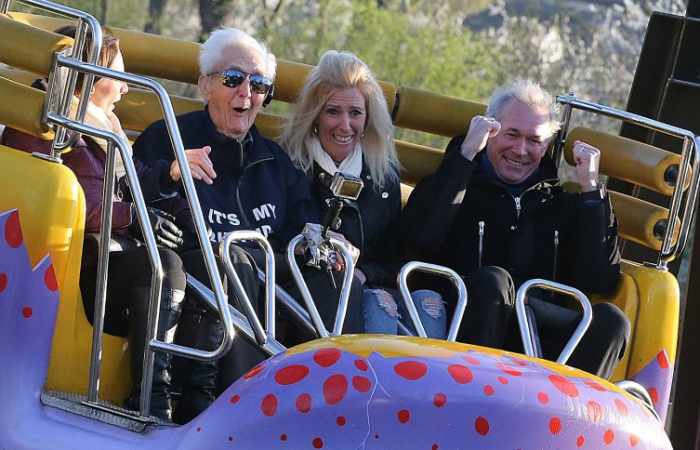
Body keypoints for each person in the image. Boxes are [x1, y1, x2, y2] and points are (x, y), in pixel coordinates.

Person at [133, 28, 325, 423]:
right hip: (196, 278)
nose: (246, 93)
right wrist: (170, 175)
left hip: (264, 287)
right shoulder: (167, 136)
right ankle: (228, 407)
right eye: (233, 79)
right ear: (205, 86)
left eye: (258, 84)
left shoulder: (276, 163)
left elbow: (305, 225)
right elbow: (132, 194)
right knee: (231, 260)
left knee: (331, 276)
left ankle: (325, 409)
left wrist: (320, 244)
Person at [1, 26, 192, 421]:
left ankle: (194, 390)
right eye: (117, 78)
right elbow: (69, 200)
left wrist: (170, 179)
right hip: (69, 261)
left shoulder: (104, 129)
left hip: (104, 250)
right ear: (88, 76)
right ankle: (152, 397)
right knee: (160, 269)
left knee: (189, 261)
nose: (125, 90)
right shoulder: (43, 125)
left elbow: (133, 180)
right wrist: (136, 216)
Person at [401, 79, 629, 378]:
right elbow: (416, 240)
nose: (521, 150)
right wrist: (465, 157)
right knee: (493, 281)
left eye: (534, 140)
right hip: (466, 329)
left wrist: (590, 191)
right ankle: (477, 398)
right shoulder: (458, 184)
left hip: (538, 340)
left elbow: (600, 280)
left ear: (546, 147)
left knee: (612, 321)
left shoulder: (557, 203)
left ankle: (564, 415)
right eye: (511, 134)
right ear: (491, 131)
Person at [279, 50, 446, 338]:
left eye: (355, 113)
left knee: (429, 305)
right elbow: (280, 240)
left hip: (374, 288)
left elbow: (396, 256)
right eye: (333, 111)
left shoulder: (383, 176)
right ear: (315, 115)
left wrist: (364, 273)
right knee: (374, 305)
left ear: (368, 117)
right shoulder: (288, 168)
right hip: (311, 301)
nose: (345, 126)